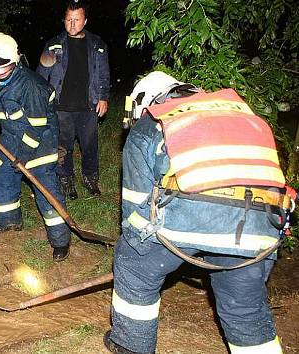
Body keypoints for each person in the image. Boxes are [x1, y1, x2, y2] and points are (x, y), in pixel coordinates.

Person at [104, 71, 289, 354]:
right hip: (258, 228)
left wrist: (134, 246)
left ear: (145, 101)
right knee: (245, 309)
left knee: (134, 267)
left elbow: (134, 206)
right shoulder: (238, 113)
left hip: (185, 216)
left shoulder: (152, 121)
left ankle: (131, 345)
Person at [0, 33, 72, 261]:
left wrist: (24, 156)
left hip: (40, 142)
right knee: (0, 174)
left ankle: (61, 240)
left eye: (4, 70)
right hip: (11, 136)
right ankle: (9, 220)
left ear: (15, 62)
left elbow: (37, 126)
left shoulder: (31, 86)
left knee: (45, 190)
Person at [37, 0, 110, 199]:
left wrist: (103, 97)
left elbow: (104, 74)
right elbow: (41, 76)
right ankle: (66, 179)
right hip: (61, 107)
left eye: (76, 19)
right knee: (63, 146)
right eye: (68, 19)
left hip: (88, 106)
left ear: (85, 21)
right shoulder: (53, 45)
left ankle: (90, 178)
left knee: (89, 145)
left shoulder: (97, 45)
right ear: (64, 20)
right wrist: (41, 101)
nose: (72, 24)